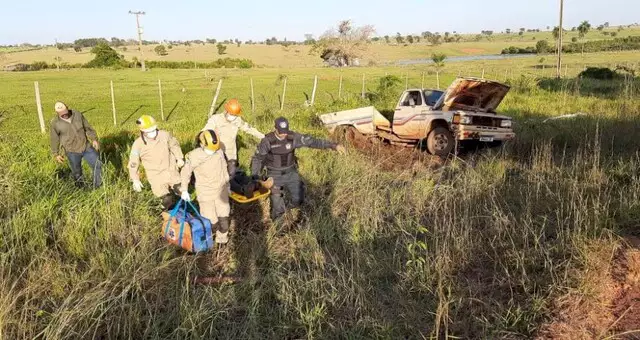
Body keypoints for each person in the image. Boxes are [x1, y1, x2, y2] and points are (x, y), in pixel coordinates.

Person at [250, 117, 346, 221]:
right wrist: (255, 178)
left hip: (291, 172)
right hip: (274, 175)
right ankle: (279, 224)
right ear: (275, 128)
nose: (284, 134)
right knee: (277, 204)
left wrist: (333, 145)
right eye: (281, 132)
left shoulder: (293, 137)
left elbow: (312, 142)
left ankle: (286, 207)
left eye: (285, 131)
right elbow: (257, 159)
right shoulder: (267, 141)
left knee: (298, 199)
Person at [179, 130, 231, 244]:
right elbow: (185, 172)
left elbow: (224, 168)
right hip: (205, 193)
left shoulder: (219, 152)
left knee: (224, 221)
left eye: (214, 149)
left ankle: (222, 241)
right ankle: (208, 242)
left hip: (221, 191)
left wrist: (227, 185)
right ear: (202, 144)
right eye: (210, 149)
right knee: (211, 222)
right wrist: (184, 190)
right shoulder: (194, 155)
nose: (212, 151)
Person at [128, 115, 185, 211]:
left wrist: (179, 158)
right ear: (142, 131)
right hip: (156, 175)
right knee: (167, 199)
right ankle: (165, 214)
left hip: (171, 170)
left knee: (181, 191)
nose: (152, 133)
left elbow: (174, 145)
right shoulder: (138, 144)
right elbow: (133, 162)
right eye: (149, 131)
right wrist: (135, 179)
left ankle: (184, 212)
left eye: (153, 130)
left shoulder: (164, 135)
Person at [202, 98, 264, 175]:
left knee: (231, 176)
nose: (233, 116)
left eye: (235, 115)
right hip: (218, 152)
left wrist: (263, 136)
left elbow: (249, 129)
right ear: (226, 111)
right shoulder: (216, 119)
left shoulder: (237, 120)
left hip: (231, 155)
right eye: (231, 114)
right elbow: (205, 132)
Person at [49, 101, 102, 188]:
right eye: (61, 114)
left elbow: (88, 128)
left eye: (65, 112)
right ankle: (81, 189)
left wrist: (94, 140)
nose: (64, 115)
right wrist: (56, 153)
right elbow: (54, 139)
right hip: (71, 151)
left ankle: (97, 186)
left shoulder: (77, 114)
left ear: (67, 107)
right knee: (77, 173)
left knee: (98, 165)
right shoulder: (55, 123)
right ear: (57, 113)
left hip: (86, 146)